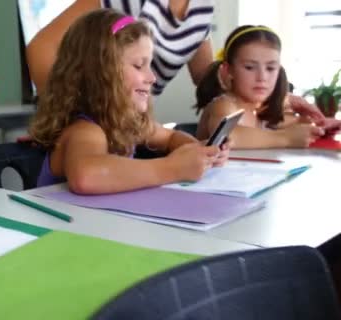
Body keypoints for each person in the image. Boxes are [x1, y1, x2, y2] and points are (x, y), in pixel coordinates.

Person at [29, 9, 228, 194]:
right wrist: (173, 168)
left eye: (149, 65)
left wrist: (199, 153)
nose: (152, 78)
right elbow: (85, 176)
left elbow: (170, 137)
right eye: (139, 65)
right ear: (99, 74)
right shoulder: (84, 129)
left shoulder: (127, 125)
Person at [26, 0, 326, 121]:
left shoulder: (202, 6)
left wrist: (281, 99)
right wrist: (81, 114)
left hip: (134, 127)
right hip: (97, 122)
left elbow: (209, 79)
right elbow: (41, 48)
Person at [194, 25, 341, 149]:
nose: (262, 77)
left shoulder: (260, 109)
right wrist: (286, 138)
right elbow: (228, 136)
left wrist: (321, 127)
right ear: (229, 70)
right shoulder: (224, 105)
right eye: (250, 67)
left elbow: (297, 124)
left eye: (270, 68)